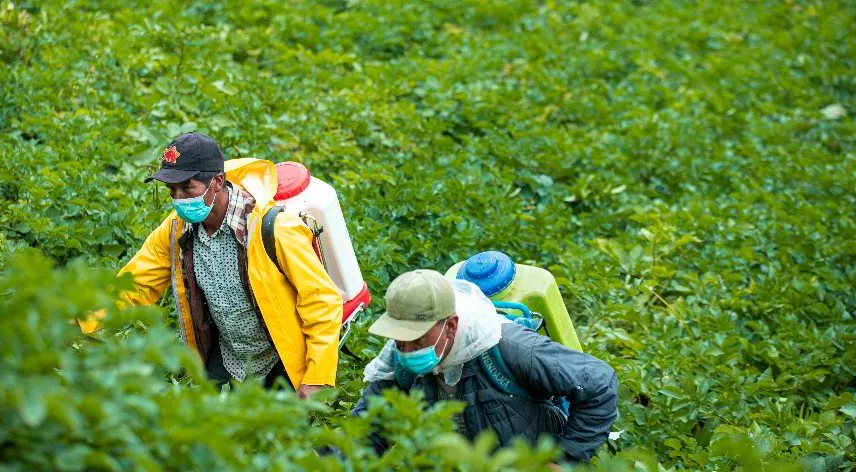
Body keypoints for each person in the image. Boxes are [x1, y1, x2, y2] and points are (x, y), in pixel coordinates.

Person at [79, 132, 343, 398]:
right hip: (229, 357)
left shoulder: (273, 229)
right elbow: (135, 284)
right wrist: (76, 322)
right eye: (172, 190)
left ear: (217, 181)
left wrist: (316, 378)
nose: (179, 198)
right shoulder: (177, 230)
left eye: (187, 187)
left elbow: (321, 299)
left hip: (281, 361)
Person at [351, 269, 618, 461]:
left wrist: (565, 459)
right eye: (400, 340)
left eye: (418, 339)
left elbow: (599, 382)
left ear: (451, 324)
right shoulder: (400, 360)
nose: (408, 351)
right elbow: (366, 430)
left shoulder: (508, 347)